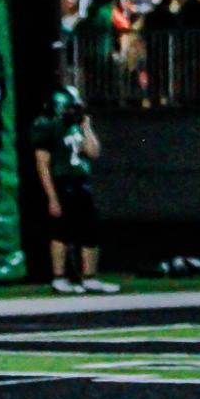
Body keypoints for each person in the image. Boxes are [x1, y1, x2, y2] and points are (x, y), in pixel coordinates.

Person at [31, 85, 118, 293]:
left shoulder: (78, 125)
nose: (75, 110)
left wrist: (86, 127)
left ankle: (89, 277)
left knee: (91, 231)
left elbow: (94, 152)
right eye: (71, 106)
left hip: (81, 183)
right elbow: (42, 163)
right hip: (62, 183)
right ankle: (59, 278)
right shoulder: (46, 126)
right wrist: (52, 197)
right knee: (61, 232)